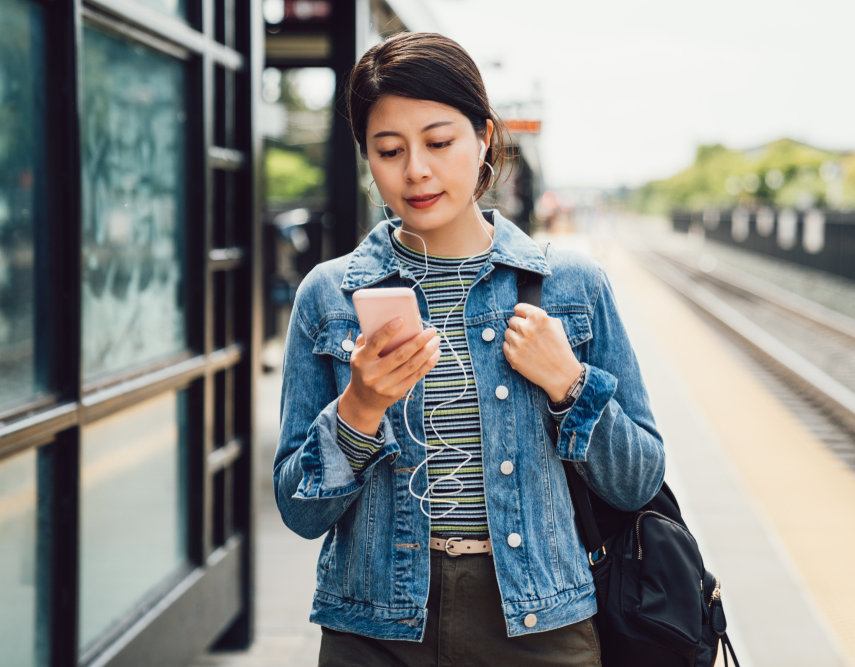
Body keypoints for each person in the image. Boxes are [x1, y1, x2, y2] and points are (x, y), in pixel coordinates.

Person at [273, 32, 665, 667]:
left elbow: (638, 479)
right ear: (366, 158)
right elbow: (299, 510)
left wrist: (570, 384)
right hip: (375, 625)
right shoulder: (332, 294)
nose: (416, 171)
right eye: (389, 150)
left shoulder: (570, 287)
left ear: (484, 136)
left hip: (539, 622)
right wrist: (359, 410)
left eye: (438, 141)